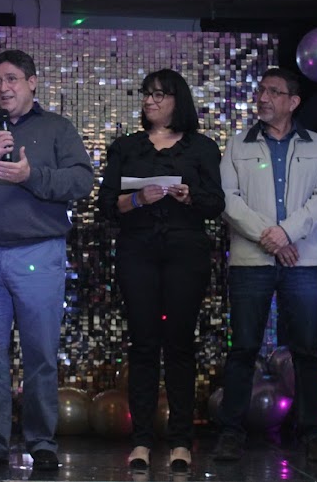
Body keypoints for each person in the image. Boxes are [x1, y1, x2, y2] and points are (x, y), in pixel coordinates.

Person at [0, 49, 93, 472]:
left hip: (38, 252)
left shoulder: (58, 128)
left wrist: (31, 176)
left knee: (40, 352)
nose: (3, 88)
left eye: (11, 79)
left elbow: (82, 181)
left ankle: (41, 442)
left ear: (32, 82)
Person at [97, 69, 224, 473]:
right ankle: (141, 441)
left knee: (180, 345)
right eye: (146, 94)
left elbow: (215, 204)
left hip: (186, 253)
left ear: (177, 101)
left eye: (159, 95)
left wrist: (189, 196)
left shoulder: (201, 147)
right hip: (137, 252)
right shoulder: (126, 147)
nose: (150, 101)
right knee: (143, 345)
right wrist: (137, 199)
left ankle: (181, 441)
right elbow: (105, 205)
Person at [212, 67, 317, 463]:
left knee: (306, 350)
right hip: (252, 261)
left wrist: (287, 232)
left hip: (304, 260)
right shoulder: (238, 144)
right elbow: (227, 200)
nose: (263, 98)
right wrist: (271, 236)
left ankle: (313, 432)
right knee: (243, 348)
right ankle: (231, 432)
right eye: (261, 90)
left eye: (274, 92)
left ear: (293, 101)